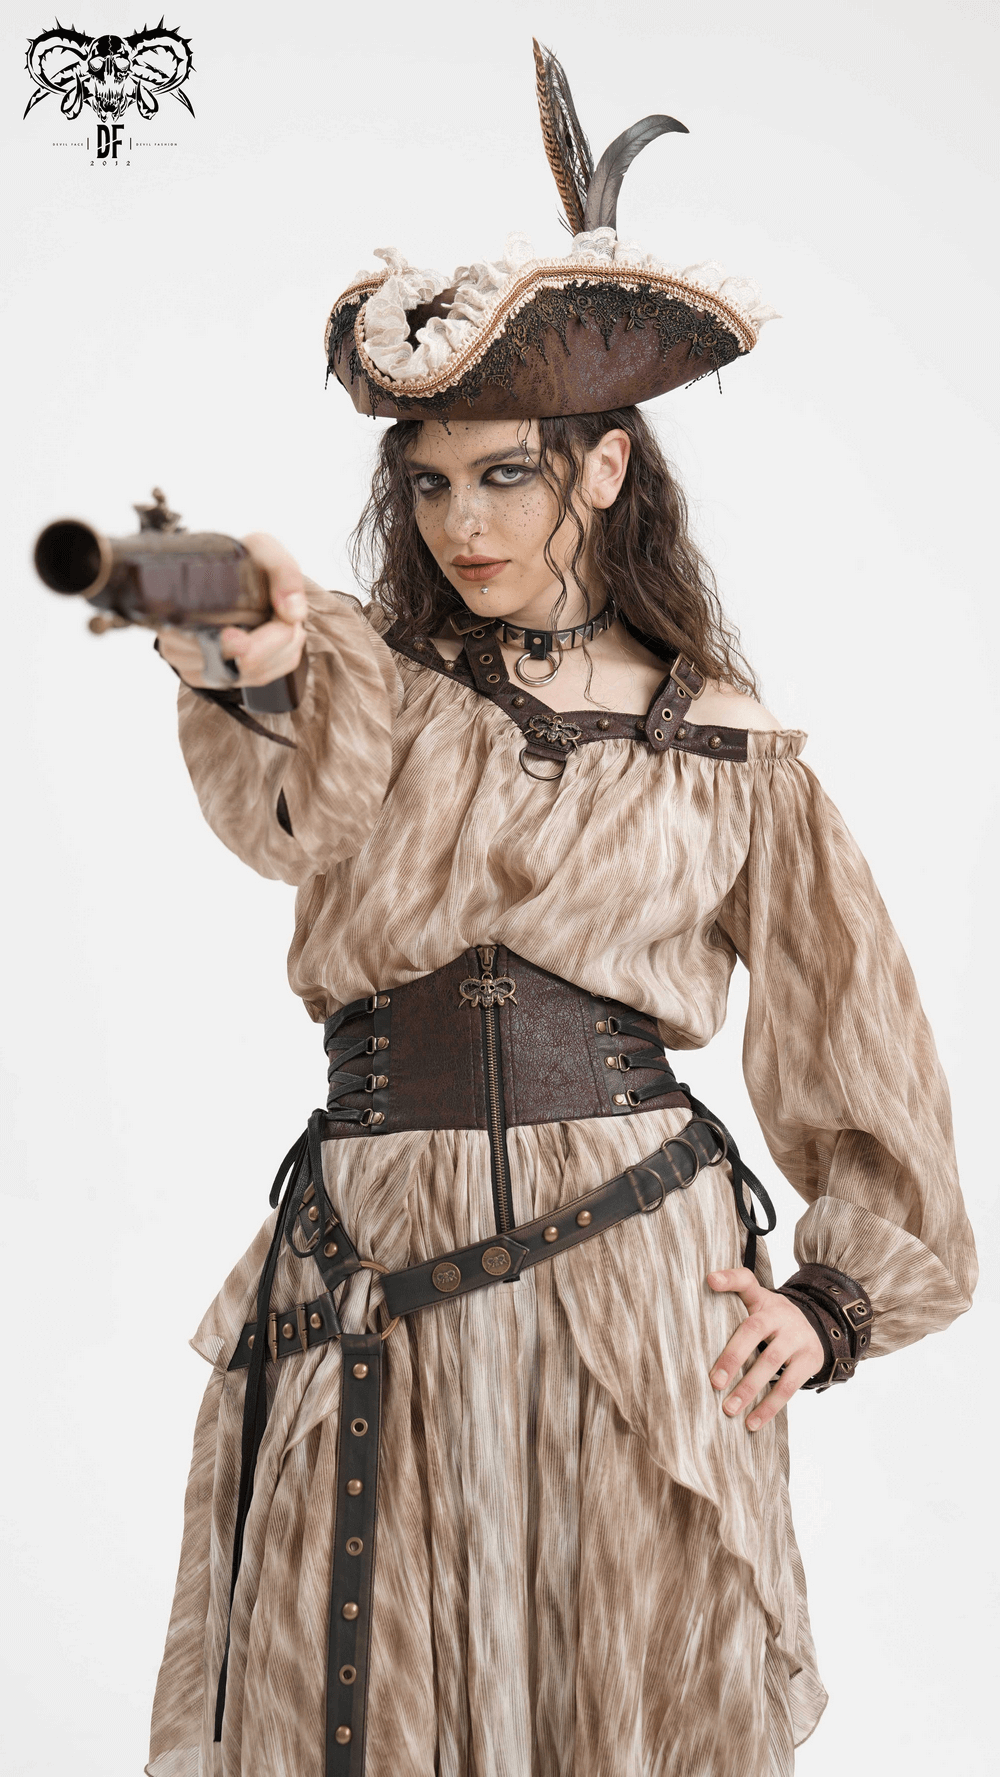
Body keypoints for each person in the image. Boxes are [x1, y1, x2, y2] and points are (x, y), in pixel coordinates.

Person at [147, 43, 976, 1777]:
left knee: (627, 1705)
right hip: (375, 1272)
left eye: (503, 474)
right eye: (429, 482)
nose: (458, 523)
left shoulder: (735, 752)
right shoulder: (374, 689)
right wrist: (218, 622)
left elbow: (866, 1055)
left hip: (634, 1293)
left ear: (602, 467)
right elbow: (283, 744)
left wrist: (829, 1302)